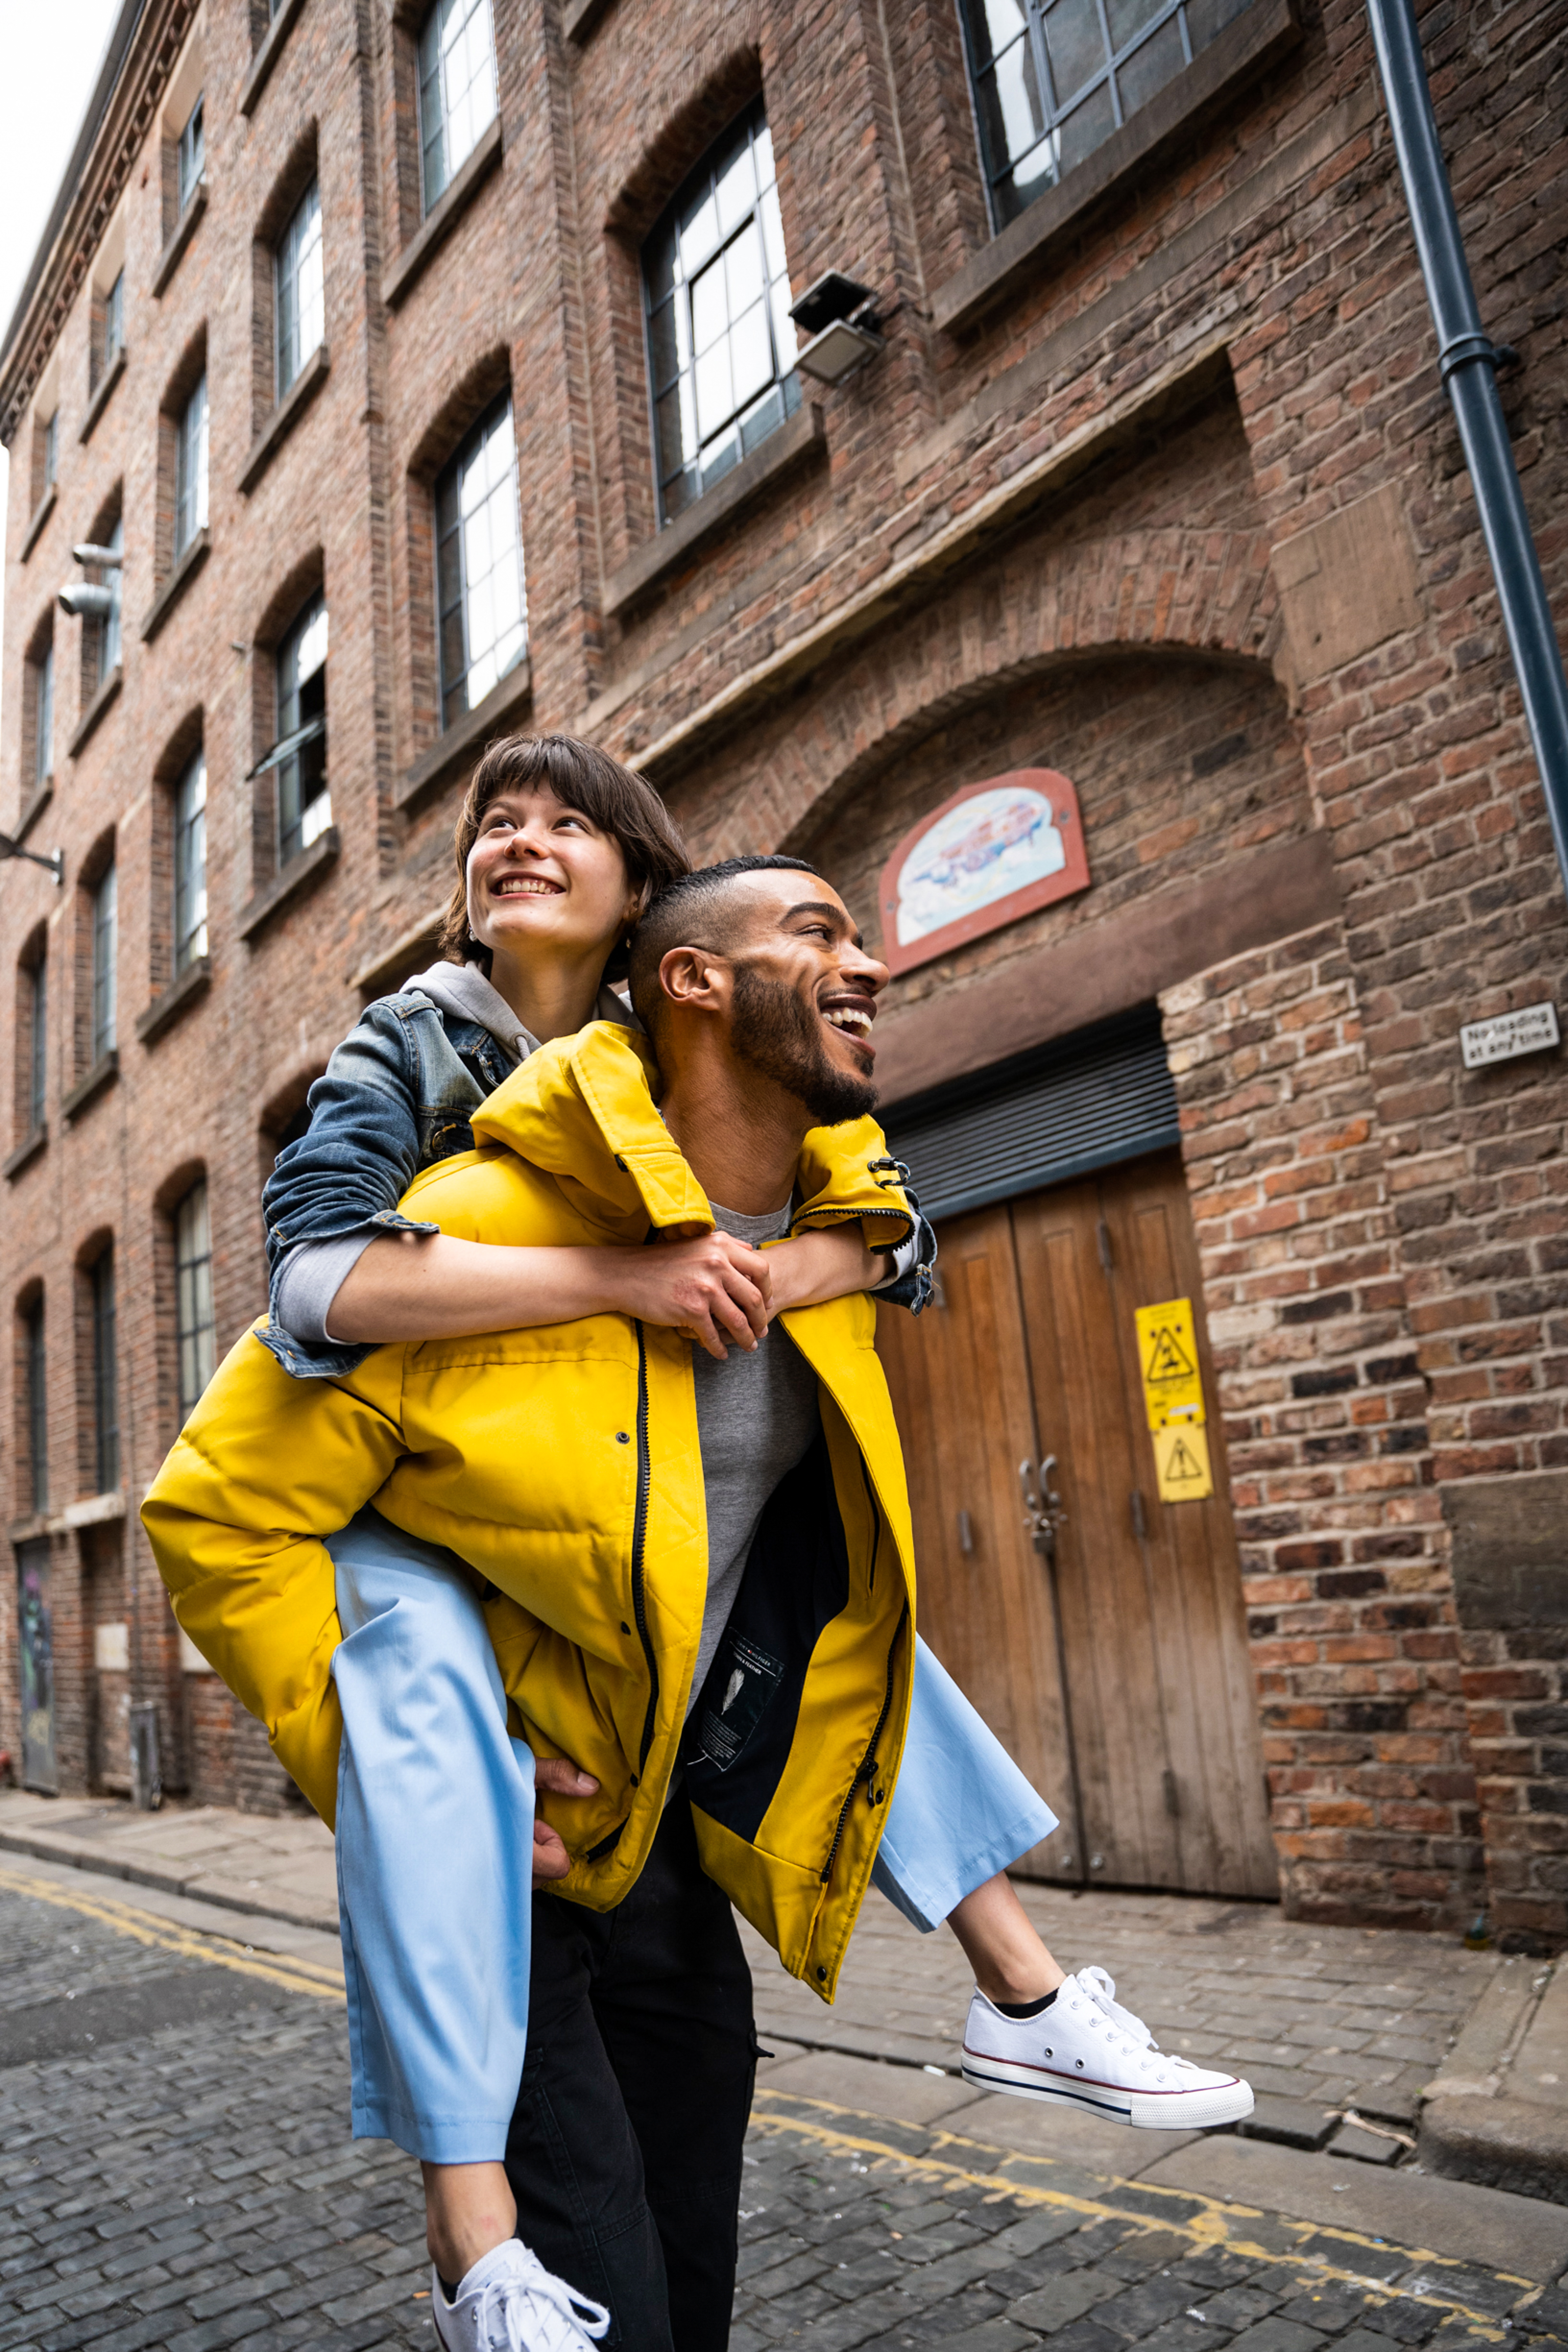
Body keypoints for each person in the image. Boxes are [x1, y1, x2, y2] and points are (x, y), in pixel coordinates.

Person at [152, 784, 1253, 2345]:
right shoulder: (439, 1110)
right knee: (422, 1675)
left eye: (563, 822)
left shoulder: (776, 1185)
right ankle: (475, 2241)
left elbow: (885, 1220)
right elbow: (307, 1301)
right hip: (493, 1748)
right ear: (689, 977)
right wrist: (629, 1275)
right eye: (817, 935)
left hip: (665, 1817)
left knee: (839, 1615)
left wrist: (807, 1258)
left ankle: (1021, 1988)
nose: (862, 968)